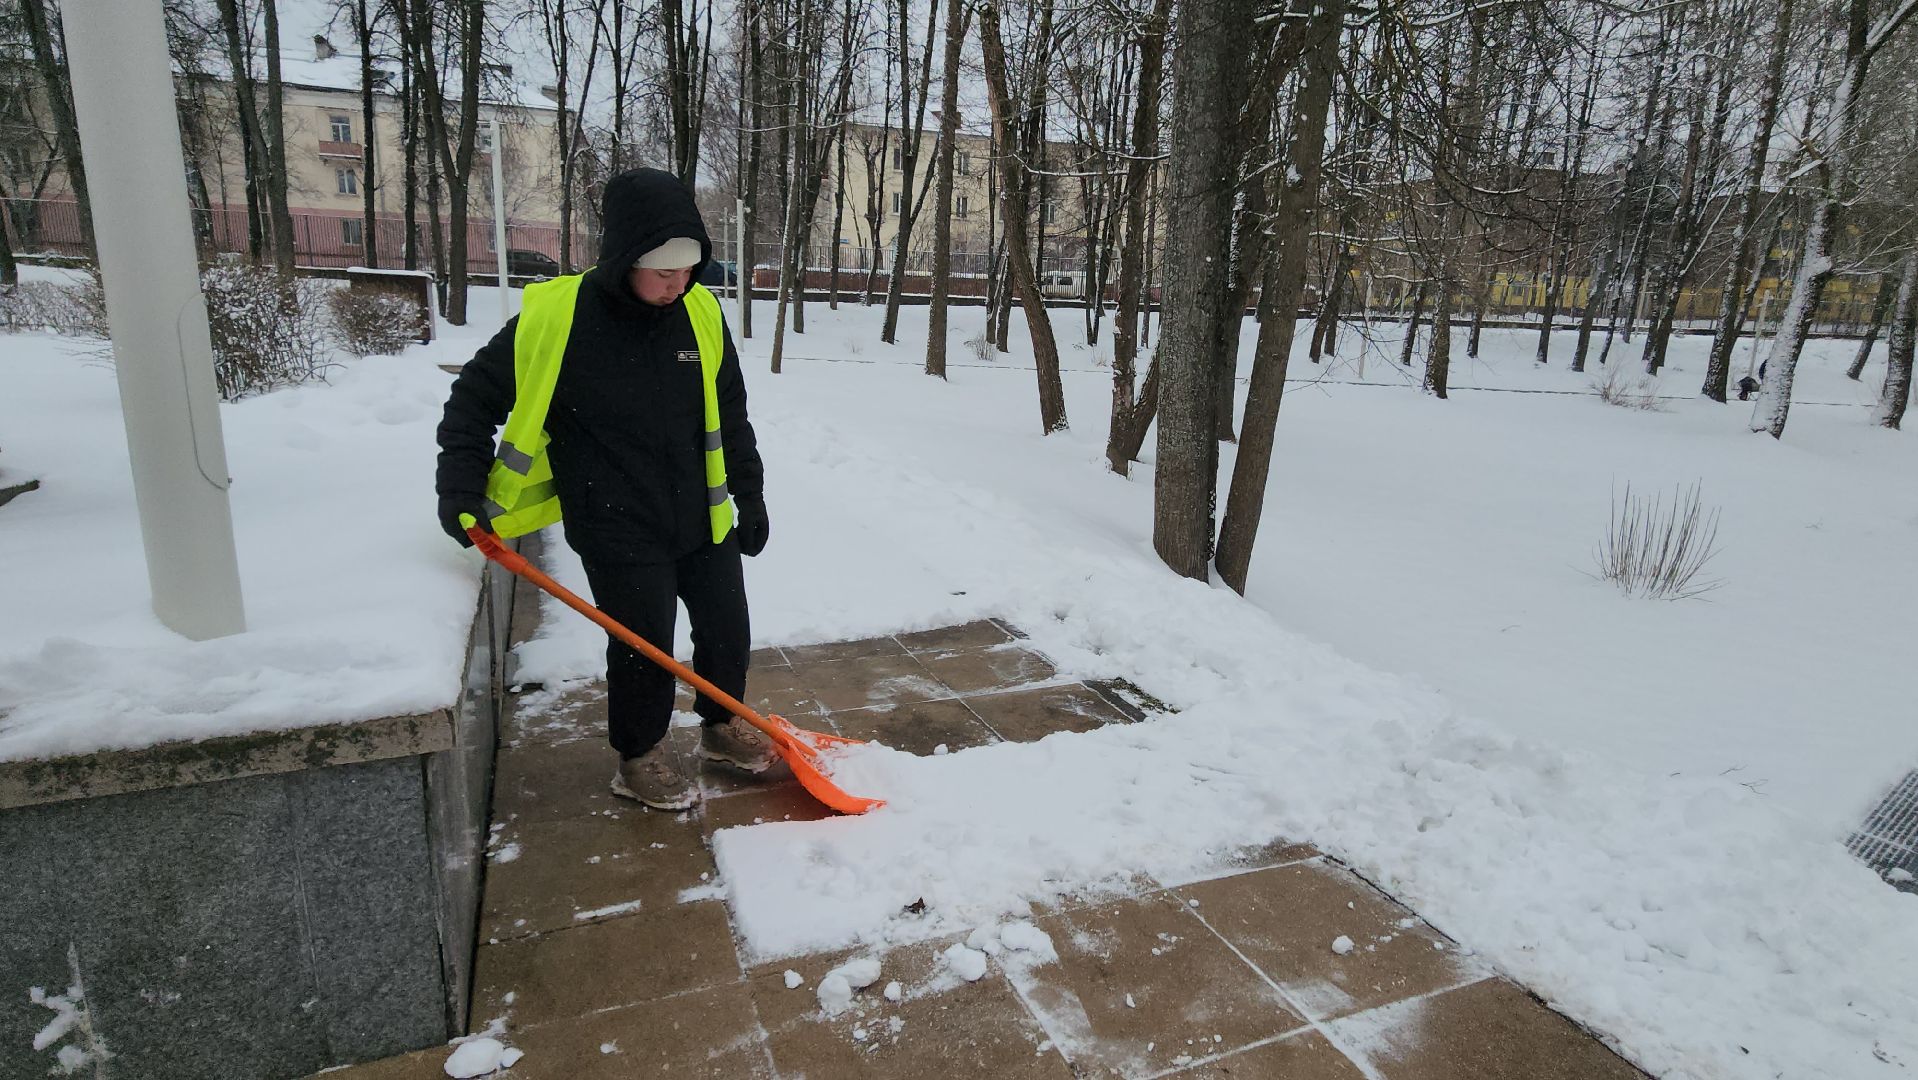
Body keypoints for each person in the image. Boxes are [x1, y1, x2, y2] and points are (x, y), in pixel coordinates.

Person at [435, 168, 773, 811]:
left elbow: (731, 415)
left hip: (699, 514)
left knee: (728, 628)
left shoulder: (700, 311)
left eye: (688, 270)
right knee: (643, 644)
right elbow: (471, 401)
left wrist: (750, 497)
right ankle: (640, 755)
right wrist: (458, 486)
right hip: (614, 518)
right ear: (624, 259)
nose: (679, 285)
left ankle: (721, 728)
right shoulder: (556, 321)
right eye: (663, 272)